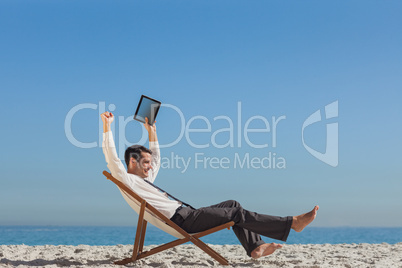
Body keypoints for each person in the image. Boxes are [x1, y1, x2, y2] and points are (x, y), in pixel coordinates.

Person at [101, 111, 319, 259]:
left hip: (188, 214)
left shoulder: (144, 181)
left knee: (232, 204)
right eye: (145, 163)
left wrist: (151, 130)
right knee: (235, 212)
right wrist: (107, 126)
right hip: (183, 221)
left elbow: (156, 157)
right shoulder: (127, 179)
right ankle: (292, 223)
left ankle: (255, 247)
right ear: (132, 162)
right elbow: (111, 156)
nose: (150, 167)